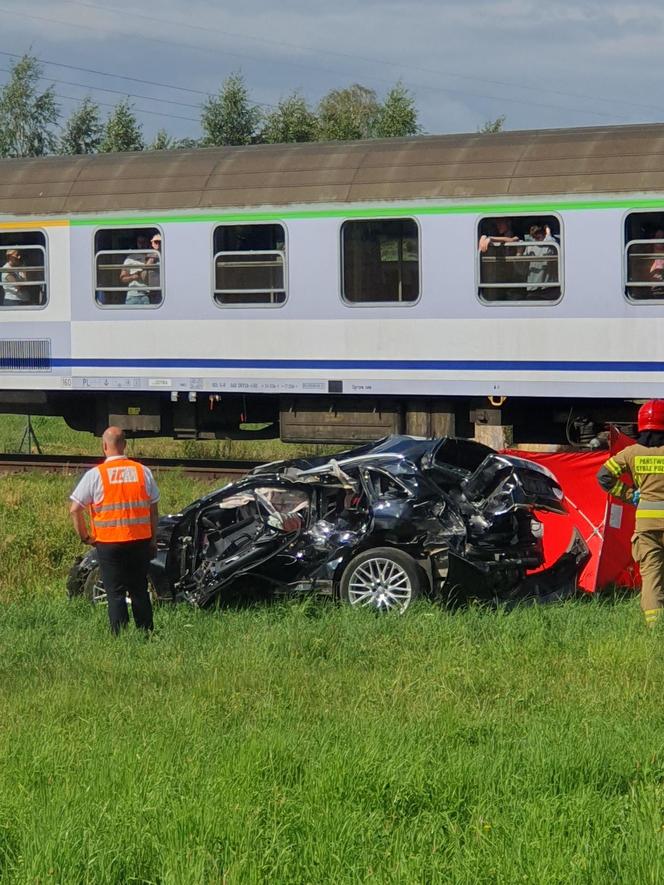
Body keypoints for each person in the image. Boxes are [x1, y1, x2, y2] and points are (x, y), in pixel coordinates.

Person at [69, 426, 160, 634]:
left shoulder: (96, 475)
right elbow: (153, 510)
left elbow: (74, 509)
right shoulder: (142, 471)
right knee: (139, 589)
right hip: (139, 541)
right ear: (125, 445)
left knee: (115, 592)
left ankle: (119, 636)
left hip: (109, 543)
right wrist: (153, 539)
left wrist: (85, 537)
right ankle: (146, 632)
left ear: (104, 446)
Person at [596, 399, 664, 627]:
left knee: (652, 577)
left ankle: (655, 629)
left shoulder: (631, 453)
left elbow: (603, 477)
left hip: (646, 526)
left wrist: (629, 494)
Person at [523, 225, 558, 292]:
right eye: (534, 236)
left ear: (543, 234)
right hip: (532, 287)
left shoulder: (549, 246)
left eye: (538, 236)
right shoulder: (529, 247)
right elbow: (522, 268)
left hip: (547, 288)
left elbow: (553, 243)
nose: (536, 239)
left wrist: (548, 233)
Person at [119, 234, 151, 305]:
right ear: (137, 243)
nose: (142, 245)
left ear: (148, 243)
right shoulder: (130, 258)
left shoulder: (152, 256)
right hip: (133, 296)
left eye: (144, 242)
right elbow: (122, 278)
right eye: (139, 242)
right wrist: (133, 277)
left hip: (147, 296)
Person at [144, 233, 162, 304]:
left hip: (163, 287)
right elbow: (146, 267)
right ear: (152, 243)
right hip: (152, 288)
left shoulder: (166, 253)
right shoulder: (149, 255)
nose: (158, 244)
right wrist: (155, 255)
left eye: (159, 242)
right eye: (155, 242)